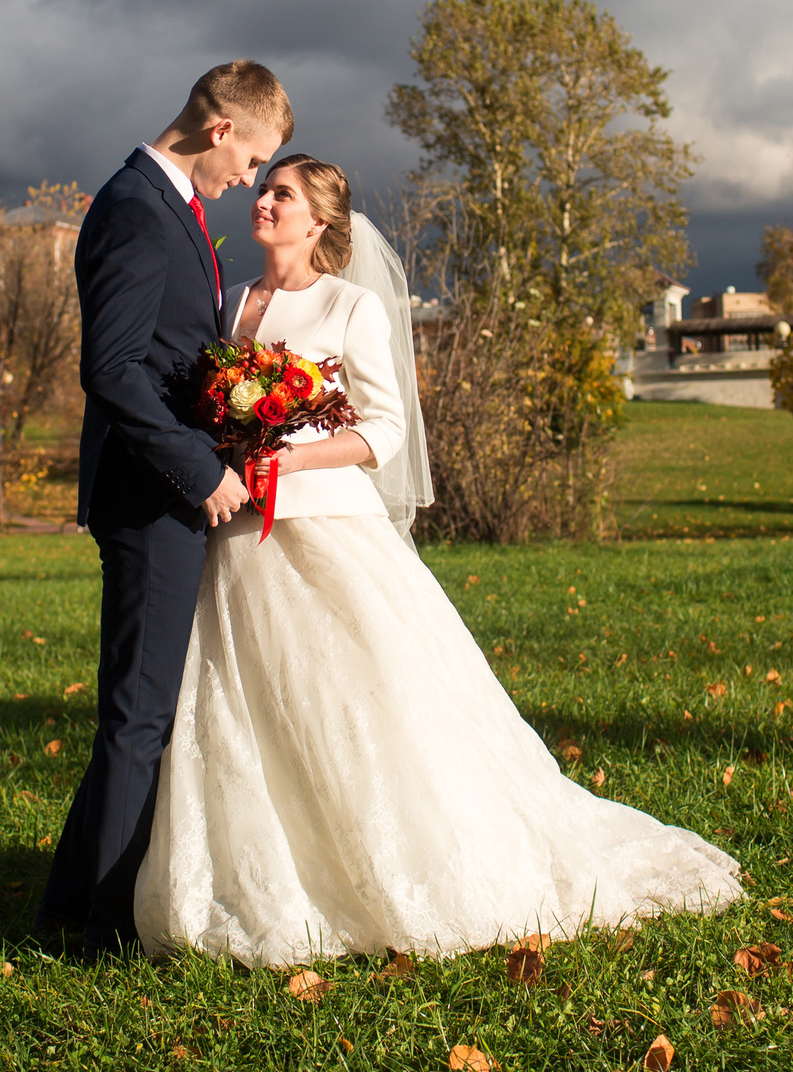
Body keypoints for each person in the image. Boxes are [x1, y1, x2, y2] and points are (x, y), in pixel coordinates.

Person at [134, 154, 742, 967]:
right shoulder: (231, 301)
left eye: (283, 193)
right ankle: (264, 875)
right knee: (249, 711)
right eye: (264, 187)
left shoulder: (349, 306)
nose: (264, 199)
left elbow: (383, 430)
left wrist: (294, 459)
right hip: (237, 537)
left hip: (326, 532)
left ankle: (386, 874)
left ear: (318, 221)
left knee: (357, 705)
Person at [37, 61, 291, 957]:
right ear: (222, 130)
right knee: (140, 714)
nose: (250, 181)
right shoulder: (139, 208)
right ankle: (97, 927)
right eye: (254, 159)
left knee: (142, 708)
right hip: (151, 495)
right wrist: (198, 467)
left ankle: (73, 899)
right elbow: (110, 369)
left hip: (166, 488)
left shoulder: (167, 204)